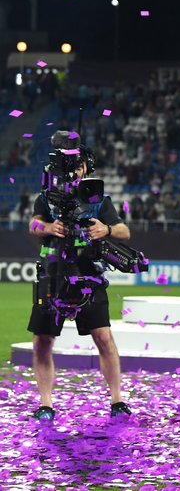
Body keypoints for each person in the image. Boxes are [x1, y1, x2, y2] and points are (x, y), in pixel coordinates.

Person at [28, 146, 132, 421]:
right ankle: (46, 404)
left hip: (90, 276)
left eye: (79, 165)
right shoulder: (46, 198)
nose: (75, 170)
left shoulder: (99, 199)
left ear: (87, 168)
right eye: (69, 165)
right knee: (42, 341)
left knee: (104, 338)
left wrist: (106, 229)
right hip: (52, 275)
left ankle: (117, 400)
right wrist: (49, 228)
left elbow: (123, 231)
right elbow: (34, 225)